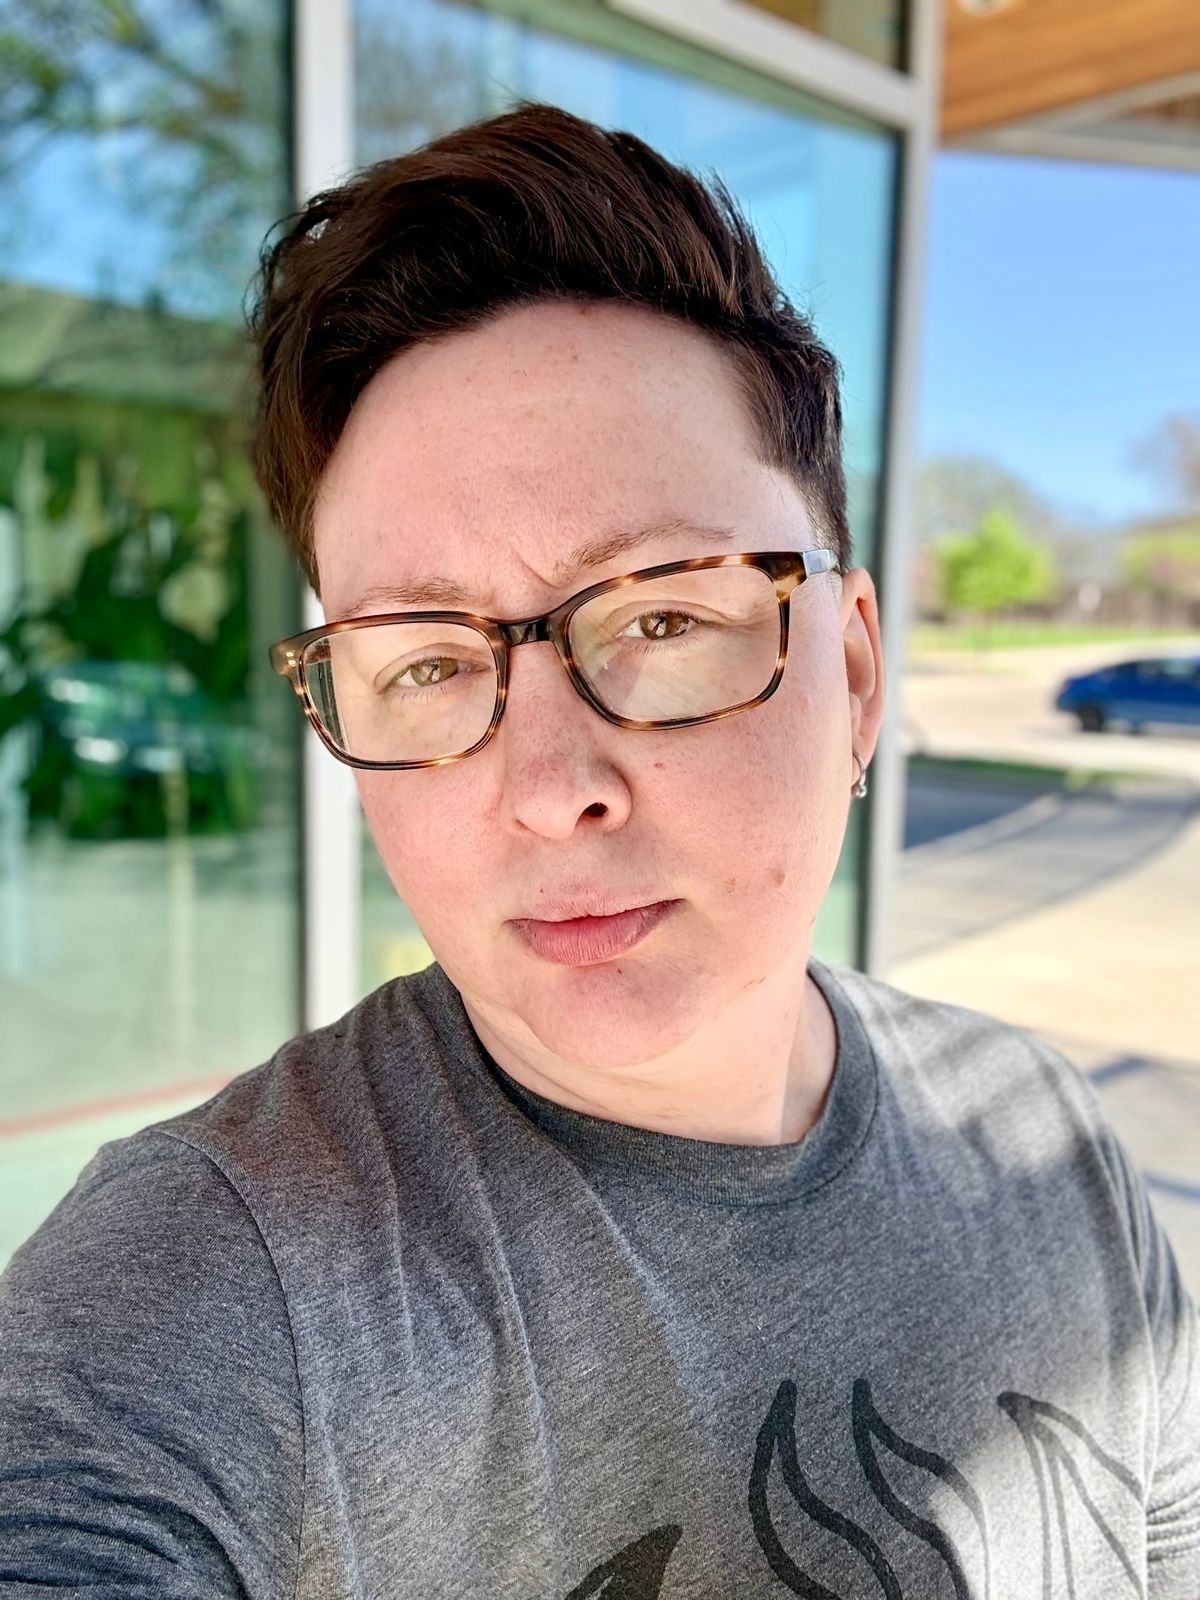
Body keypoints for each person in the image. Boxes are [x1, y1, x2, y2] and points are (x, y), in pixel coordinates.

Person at [0, 101, 1196, 1600]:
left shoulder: (1052, 1154)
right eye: (426, 663)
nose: (550, 789)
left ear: (860, 673)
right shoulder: (205, 1290)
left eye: (662, 617)